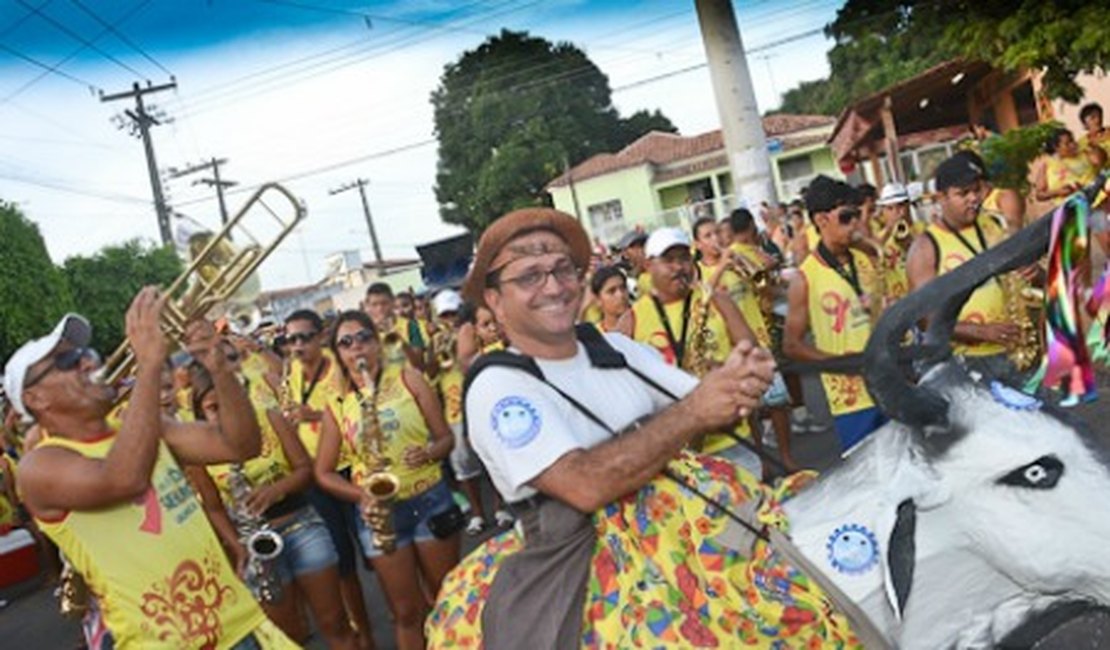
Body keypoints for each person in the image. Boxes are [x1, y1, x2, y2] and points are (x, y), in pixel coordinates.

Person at [427, 208, 857, 648]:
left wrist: (739, 379)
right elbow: (583, 485)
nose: (553, 287)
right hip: (588, 565)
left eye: (561, 269)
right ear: (495, 300)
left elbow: (704, 401)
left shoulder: (611, 346)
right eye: (529, 276)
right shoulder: (498, 385)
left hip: (692, 529)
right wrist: (695, 412)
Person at [4, 289, 296, 648]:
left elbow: (241, 445)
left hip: (243, 626)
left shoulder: (146, 424)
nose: (88, 363)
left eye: (85, 354)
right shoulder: (40, 465)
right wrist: (149, 364)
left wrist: (218, 368)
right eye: (67, 362)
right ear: (36, 399)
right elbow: (124, 478)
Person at [315, 310, 460, 650]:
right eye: (346, 342)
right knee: (406, 612)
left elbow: (445, 440)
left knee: (448, 598)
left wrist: (429, 452)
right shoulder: (337, 404)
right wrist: (361, 494)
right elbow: (322, 473)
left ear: (377, 342)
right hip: (380, 515)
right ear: (338, 354)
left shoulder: (410, 379)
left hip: (429, 499)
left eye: (364, 337)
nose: (357, 347)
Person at [187, 357, 357, 649]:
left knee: (334, 623)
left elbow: (305, 469)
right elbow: (214, 507)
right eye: (213, 408)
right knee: (288, 636)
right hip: (256, 545)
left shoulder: (269, 417)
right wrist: (238, 547)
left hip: (301, 526)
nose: (222, 413)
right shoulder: (196, 446)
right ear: (200, 412)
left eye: (227, 402)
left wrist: (274, 490)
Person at [617, 226, 763, 469]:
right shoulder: (631, 320)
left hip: (731, 441)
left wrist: (729, 372)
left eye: (684, 258)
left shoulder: (717, 300)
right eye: (669, 260)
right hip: (677, 455)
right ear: (649, 265)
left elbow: (754, 356)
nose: (679, 267)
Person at [281, 309, 375, 649]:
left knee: (379, 551)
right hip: (318, 478)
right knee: (342, 562)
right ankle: (363, 633)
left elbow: (356, 404)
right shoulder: (291, 371)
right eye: (291, 339)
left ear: (321, 337)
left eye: (305, 337)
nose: (298, 345)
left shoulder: (339, 367)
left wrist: (313, 414)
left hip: (350, 468)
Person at [783, 176, 886, 452]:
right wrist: (840, 363)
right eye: (846, 217)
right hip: (851, 399)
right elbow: (791, 345)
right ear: (821, 220)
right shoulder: (804, 278)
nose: (855, 224)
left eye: (856, 215)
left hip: (889, 381)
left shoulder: (866, 260)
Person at [907, 153, 1019, 372]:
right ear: (941, 198)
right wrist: (983, 332)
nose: (973, 198)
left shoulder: (995, 225)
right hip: (964, 363)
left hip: (1012, 351)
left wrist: (1032, 273)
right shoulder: (925, 247)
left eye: (976, 190)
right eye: (963, 193)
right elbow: (924, 319)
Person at [428, 289, 490, 535]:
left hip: (479, 402)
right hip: (454, 410)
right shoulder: (437, 340)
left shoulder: (477, 330)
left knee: (490, 460)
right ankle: (477, 514)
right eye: (445, 316)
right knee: (463, 467)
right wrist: (437, 349)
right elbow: (431, 373)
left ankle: (500, 508)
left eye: (454, 314)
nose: (450, 319)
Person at [363, 283, 429, 370]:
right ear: (368, 306)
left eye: (384, 303)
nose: (380, 309)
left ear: (392, 302)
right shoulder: (366, 332)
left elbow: (419, 364)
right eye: (374, 305)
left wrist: (400, 340)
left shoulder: (410, 325)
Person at [1035, 127, 1101, 203]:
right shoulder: (1047, 165)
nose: (1072, 145)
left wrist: (1093, 146)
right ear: (1056, 147)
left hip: (1096, 200)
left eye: (1072, 140)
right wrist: (1058, 192)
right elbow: (1039, 195)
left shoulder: (1084, 153)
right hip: (1071, 210)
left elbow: (1099, 161)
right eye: (1067, 143)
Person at [586, 265, 630, 333]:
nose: (620, 295)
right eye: (612, 291)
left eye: (623, 288)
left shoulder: (644, 322)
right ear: (598, 300)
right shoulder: (595, 336)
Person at [615, 229, 651, 298]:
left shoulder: (655, 272)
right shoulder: (627, 277)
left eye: (642, 245)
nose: (641, 250)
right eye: (634, 246)